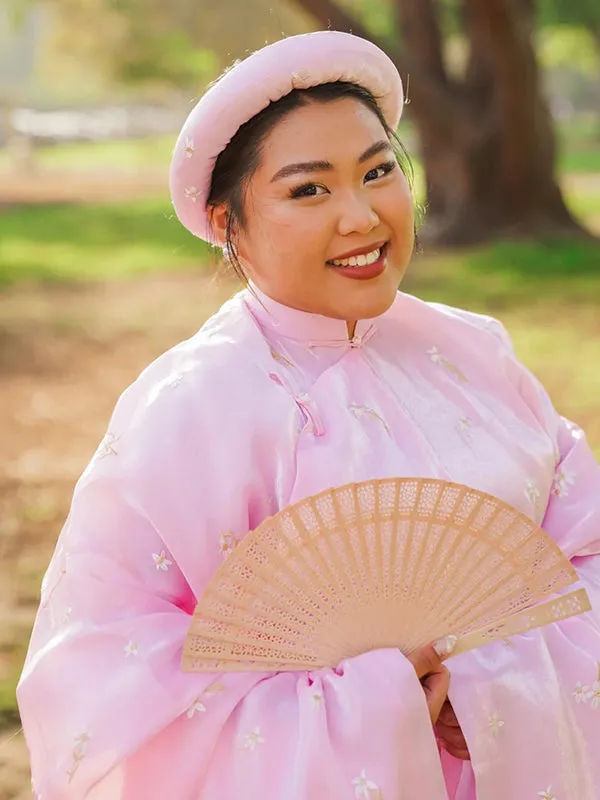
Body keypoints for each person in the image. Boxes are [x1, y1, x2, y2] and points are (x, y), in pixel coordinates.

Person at [17, 30, 600, 800]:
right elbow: (108, 674)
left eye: (379, 171)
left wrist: (489, 681)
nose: (361, 218)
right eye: (308, 190)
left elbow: (582, 552)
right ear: (230, 222)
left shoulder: (473, 353)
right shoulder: (188, 410)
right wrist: (378, 700)